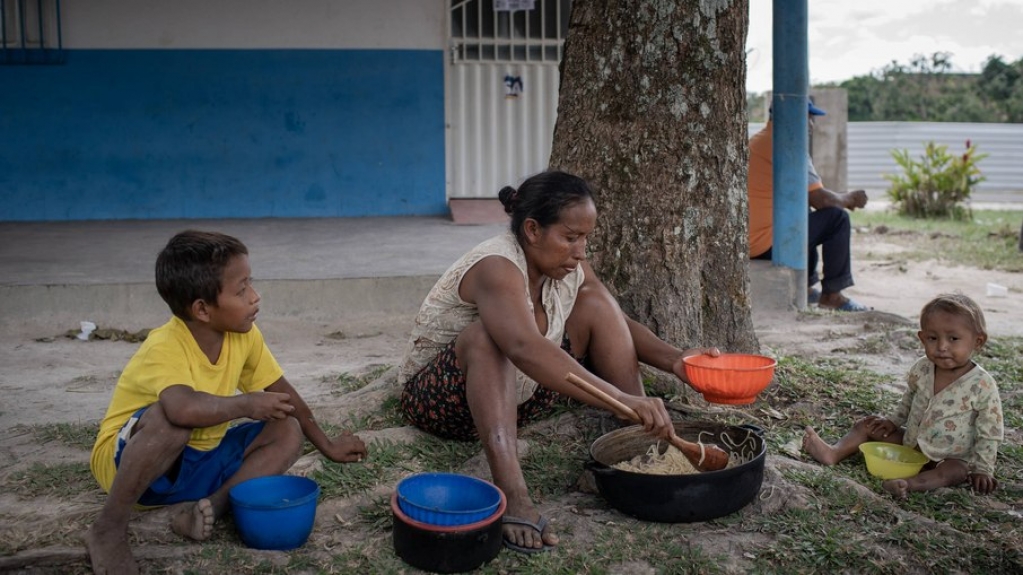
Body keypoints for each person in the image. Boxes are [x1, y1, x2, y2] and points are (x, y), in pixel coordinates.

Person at [398, 170, 719, 553]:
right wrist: (617, 395)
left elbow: (614, 318)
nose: (581, 251)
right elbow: (523, 347)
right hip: (446, 401)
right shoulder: (497, 266)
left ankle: (642, 439)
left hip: (522, 394)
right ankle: (513, 493)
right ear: (532, 230)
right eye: (570, 237)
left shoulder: (568, 265)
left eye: (585, 238)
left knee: (596, 301)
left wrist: (675, 361)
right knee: (488, 337)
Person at [85, 230, 368, 575]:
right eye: (241, 289)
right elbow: (181, 409)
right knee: (169, 422)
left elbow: (284, 394)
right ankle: (108, 529)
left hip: (198, 461)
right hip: (130, 467)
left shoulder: (243, 336)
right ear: (202, 309)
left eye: (251, 283)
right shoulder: (165, 345)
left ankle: (205, 510)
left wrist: (327, 445)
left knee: (286, 429)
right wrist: (246, 403)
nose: (255, 297)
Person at [802, 293, 1003, 498]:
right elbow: (909, 400)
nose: (942, 346)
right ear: (922, 338)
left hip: (950, 457)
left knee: (955, 472)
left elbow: (990, 431)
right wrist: (893, 422)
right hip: (911, 444)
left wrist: (983, 469)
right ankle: (833, 452)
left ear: (978, 341)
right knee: (868, 425)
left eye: (953, 338)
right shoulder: (923, 368)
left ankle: (905, 484)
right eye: (933, 338)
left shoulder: (982, 384)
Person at [748, 99, 870, 311]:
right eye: (808, 118)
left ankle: (805, 286)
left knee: (803, 210)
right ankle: (832, 296)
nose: (812, 125)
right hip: (764, 243)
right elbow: (822, 200)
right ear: (791, 119)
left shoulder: (761, 140)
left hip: (750, 240)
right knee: (836, 218)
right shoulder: (787, 147)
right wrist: (850, 198)